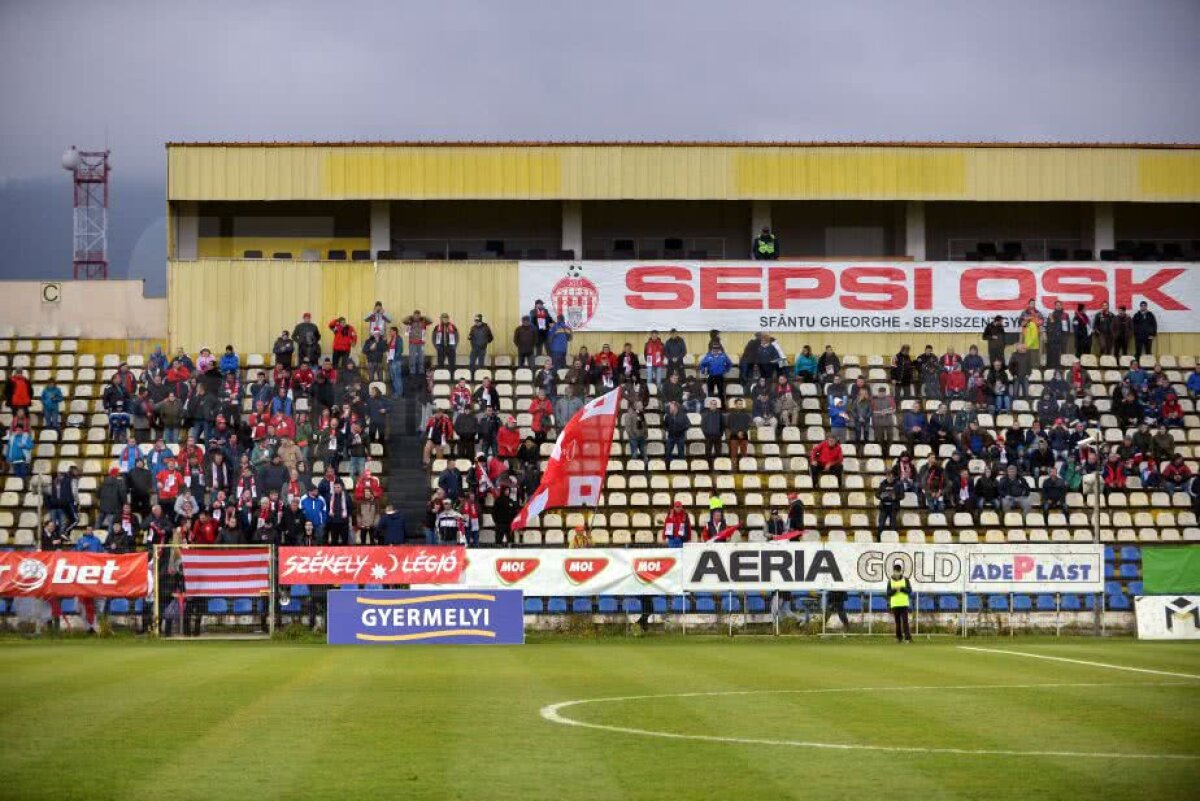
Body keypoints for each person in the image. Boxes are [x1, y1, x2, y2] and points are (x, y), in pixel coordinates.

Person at [885, 562, 913, 643]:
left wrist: (901, 589)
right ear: (893, 571)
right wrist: (894, 590)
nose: (897, 573)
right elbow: (888, 593)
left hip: (904, 604)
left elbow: (909, 591)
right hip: (895, 604)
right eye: (896, 571)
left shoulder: (906, 580)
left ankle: (908, 638)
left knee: (905, 622)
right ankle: (898, 637)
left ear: (901, 571)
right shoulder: (890, 581)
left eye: (898, 571)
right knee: (897, 622)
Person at [403, 310, 433, 377]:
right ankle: (412, 373)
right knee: (412, 359)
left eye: (418, 315)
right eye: (415, 315)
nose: (416, 316)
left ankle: (421, 373)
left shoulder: (423, 321)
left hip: (421, 343)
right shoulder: (410, 321)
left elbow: (431, 321)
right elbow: (403, 320)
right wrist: (410, 316)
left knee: (421, 358)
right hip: (412, 343)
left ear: (420, 315)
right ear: (413, 315)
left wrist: (423, 316)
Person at [1045, 301, 1070, 369]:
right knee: (1053, 356)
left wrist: (1066, 337)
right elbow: (1048, 327)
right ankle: (1052, 370)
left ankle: (1063, 370)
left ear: (1062, 306)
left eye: (1060, 305)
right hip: (1053, 340)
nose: (1058, 306)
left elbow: (1068, 328)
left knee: (1063, 355)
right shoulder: (1051, 315)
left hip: (1063, 338)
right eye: (1057, 305)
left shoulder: (1065, 315)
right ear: (1055, 306)